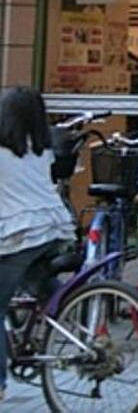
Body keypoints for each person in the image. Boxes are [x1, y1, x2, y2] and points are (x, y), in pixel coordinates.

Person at [0, 87, 76, 402]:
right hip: (54, 230)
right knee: (37, 281)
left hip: (21, 235)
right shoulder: (41, 152)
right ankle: (76, 317)